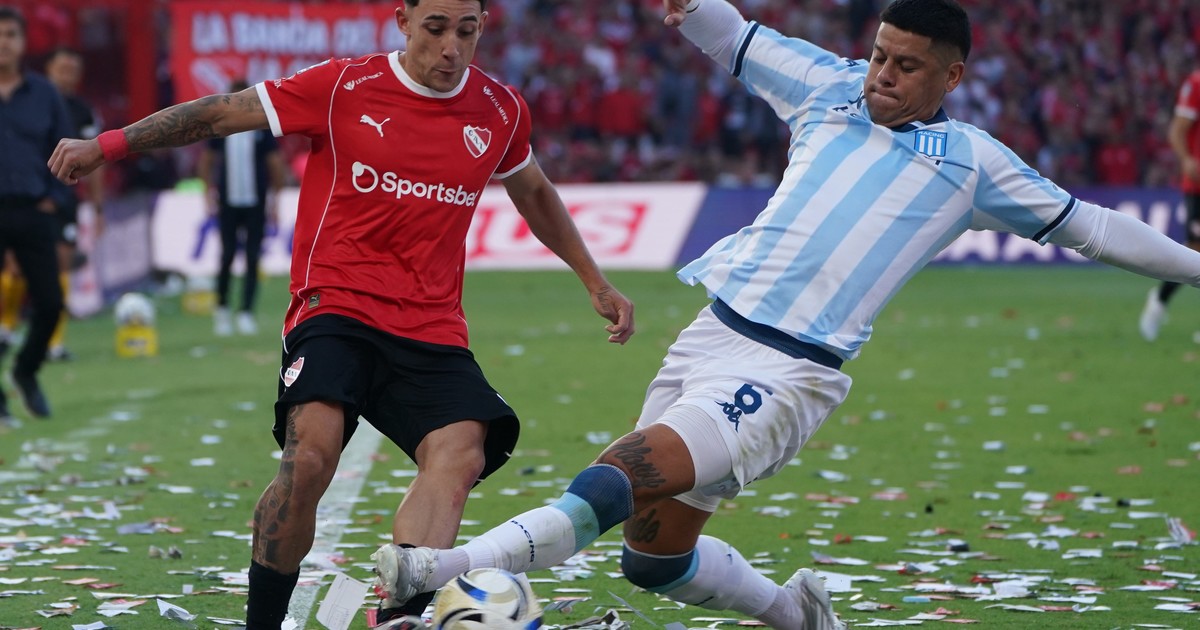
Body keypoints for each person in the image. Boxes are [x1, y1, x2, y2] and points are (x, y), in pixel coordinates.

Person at [366, 0, 1200, 629]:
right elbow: (727, 32)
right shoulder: (827, 86)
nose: (882, 74)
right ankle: (796, 614)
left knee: (617, 477)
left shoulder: (973, 164)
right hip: (710, 336)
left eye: (907, 66)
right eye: (880, 55)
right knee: (653, 561)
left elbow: (1094, 227)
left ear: (950, 78)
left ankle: (440, 570)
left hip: (788, 371)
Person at [48, 0, 635, 627]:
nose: (451, 48)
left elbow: (534, 190)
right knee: (309, 459)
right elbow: (220, 113)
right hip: (335, 308)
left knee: (461, 449)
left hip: (431, 326)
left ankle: (402, 613)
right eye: (435, 28)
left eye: (466, 31)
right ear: (403, 21)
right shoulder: (341, 87)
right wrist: (107, 145)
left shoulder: (500, 109)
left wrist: (594, 279)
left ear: (482, 27)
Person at [0, 6, 72, 424]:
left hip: (34, 209)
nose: (3, 42)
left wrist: (54, 198)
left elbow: (66, 147)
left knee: (50, 303)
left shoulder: (45, 94)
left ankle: (25, 370)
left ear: (23, 42)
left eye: (11, 34)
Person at [195, 79, 286, 337]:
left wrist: (276, 199)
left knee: (253, 257)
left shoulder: (261, 128)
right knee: (226, 256)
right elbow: (206, 161)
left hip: (256, 202)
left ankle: (246, 311)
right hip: (228, 201)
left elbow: (275, 164)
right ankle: (222, 309)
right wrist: (207, 192)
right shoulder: (222, 128)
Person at [43, 46, 105, 361]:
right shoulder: (30, 104)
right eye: (62, 69)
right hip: (26, 198)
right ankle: (7, 328)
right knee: (14, 267)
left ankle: (53, 342)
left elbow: (97, 162)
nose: (68, 76)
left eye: (73, 70)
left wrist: (97, 207)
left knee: (61, 263)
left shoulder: (82, 111)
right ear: (48, 70)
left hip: (65, 198)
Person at [1138, 67, 1200, 342]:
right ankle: (1160, 299)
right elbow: (1177, 130)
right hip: (1198, 186)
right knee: (1196, 251)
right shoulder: (1196, 83)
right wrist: (1187, 160)